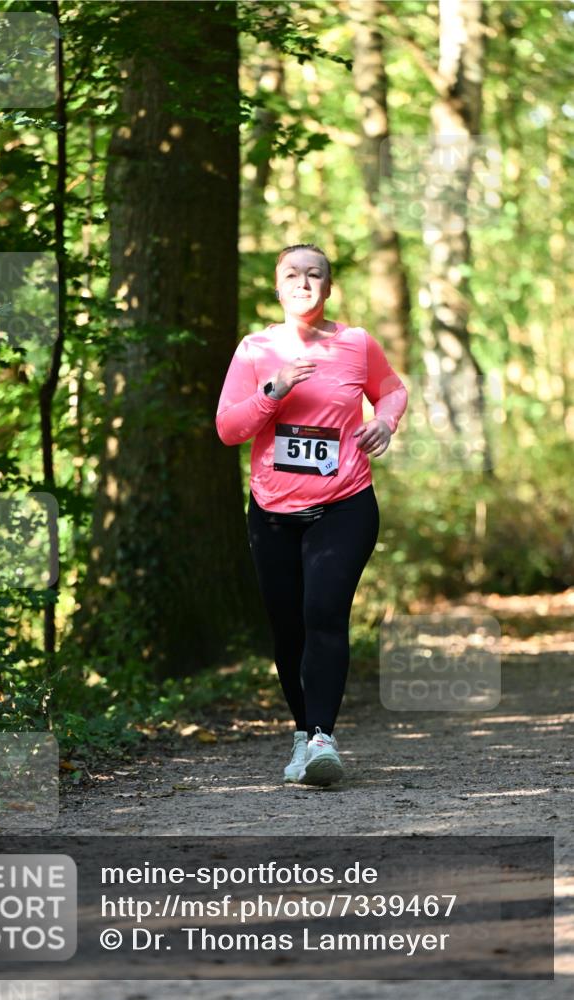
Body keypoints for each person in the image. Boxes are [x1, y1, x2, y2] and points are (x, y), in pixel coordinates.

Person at [216, 244, 408, 786]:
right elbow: (229, 429)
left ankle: (323, 737)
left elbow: (391, 391)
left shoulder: (356, 344)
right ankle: (302, 734)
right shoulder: (254, 350)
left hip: (344, 503)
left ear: (329, 286)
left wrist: (386, 423)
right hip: (273, 511)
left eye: (315, 274)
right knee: (287, 627)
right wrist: (273, 391)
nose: (304, 283)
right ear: (277, 287)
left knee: (323, 611)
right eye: (293, 275)